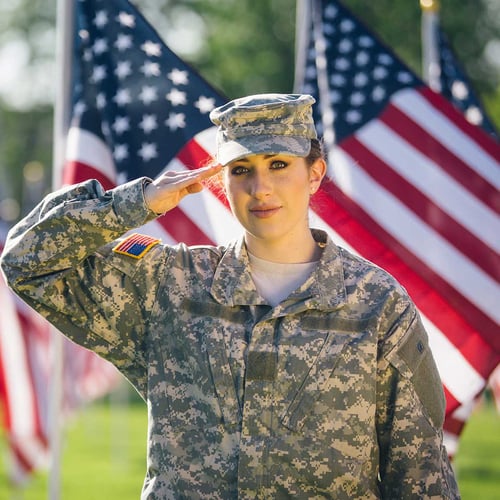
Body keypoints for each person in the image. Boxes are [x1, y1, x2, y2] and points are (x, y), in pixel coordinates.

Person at [0, 93, 460, 498]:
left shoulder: (376, 303)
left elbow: (419, 472)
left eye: (279, 165)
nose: (260, 188)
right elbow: (26, 261)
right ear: (222, 181)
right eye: (241, 170)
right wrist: (136, 202)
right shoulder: (170, 284)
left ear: (314, 174)